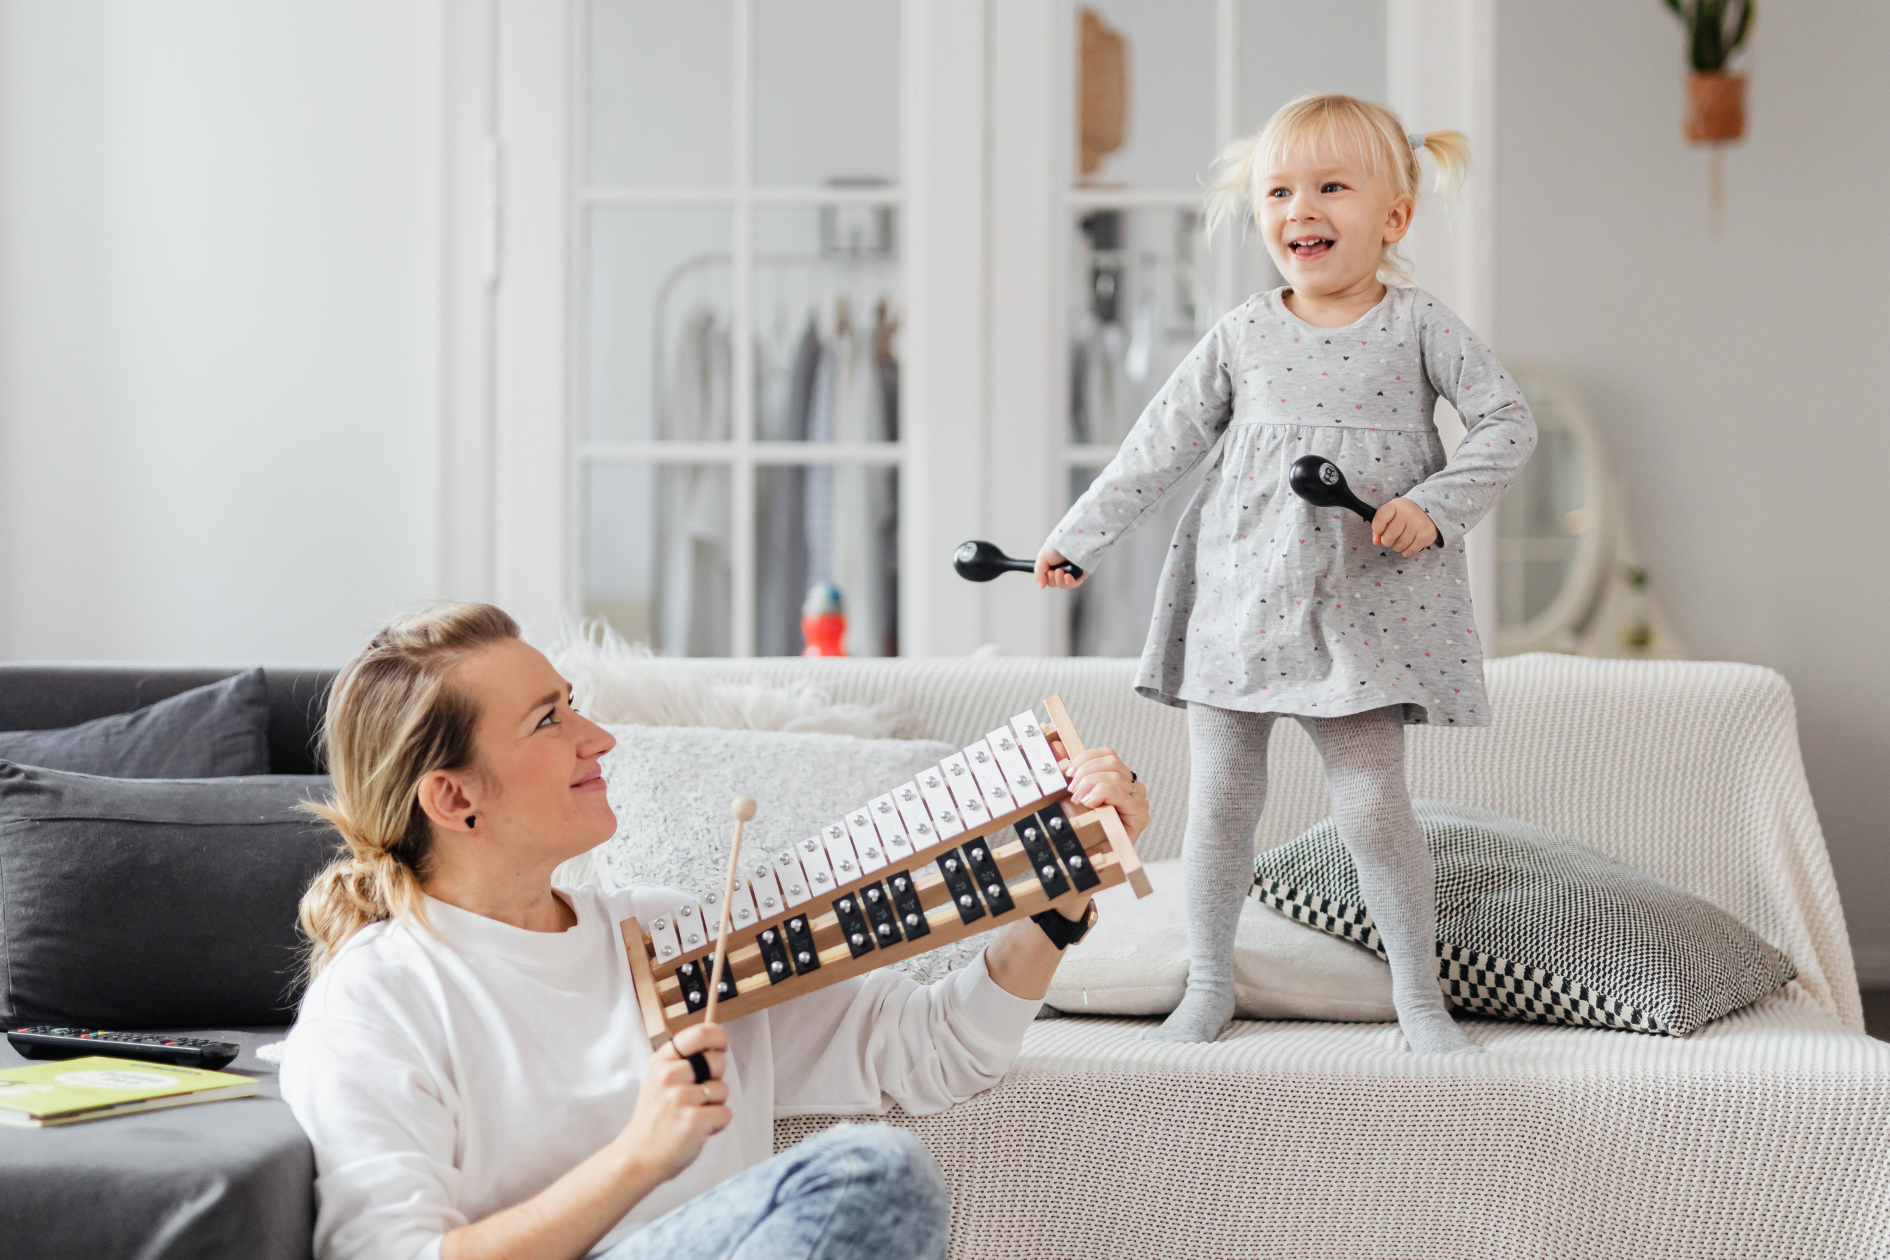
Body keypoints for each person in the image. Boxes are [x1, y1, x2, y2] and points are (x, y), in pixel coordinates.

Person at [277, 603, 1148, 1260]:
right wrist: (639, 1156)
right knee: (863, 1175)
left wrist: (1063, 887)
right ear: (453, 798)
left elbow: (938, 1047)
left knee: (878, 1171)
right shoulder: (378, 998)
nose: (600, 737)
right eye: (550, 720)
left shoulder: (672, 942)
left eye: (574, 703)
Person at [1034, 92, 1535, 1051]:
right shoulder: (1244, 334)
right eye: (1279, 191)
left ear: (1394, 218)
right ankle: (1209, 985)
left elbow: (1509, 425)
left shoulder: (1420, 327)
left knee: (1374, 808)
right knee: (1222, 802)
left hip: (1366, 610)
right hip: (1240, 602)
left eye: (1332, 187)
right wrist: (1079, 536)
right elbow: (1157, 446)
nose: (1301, 209)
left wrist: (1433, 506)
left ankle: (1418, 1000)